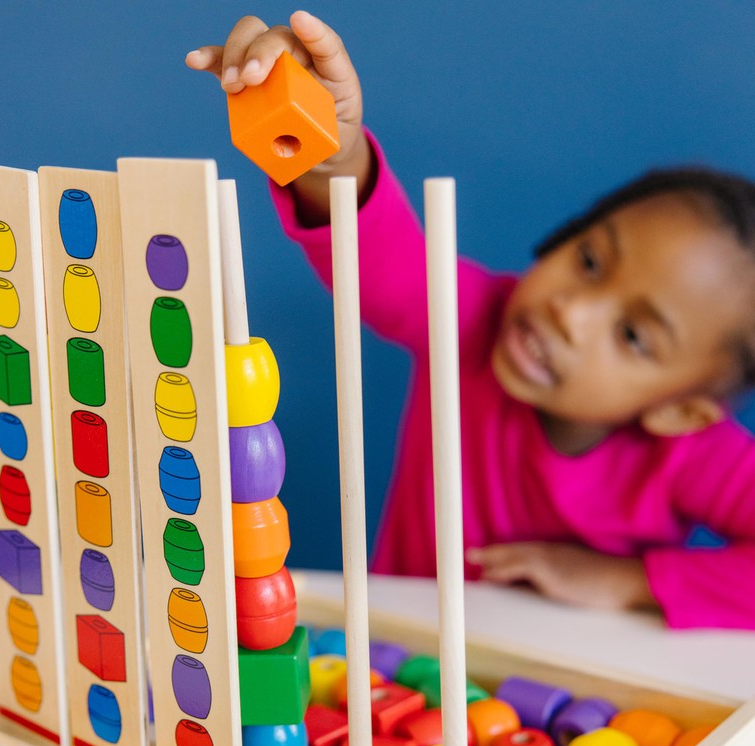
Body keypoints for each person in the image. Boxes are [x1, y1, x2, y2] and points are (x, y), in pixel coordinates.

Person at [187, 11, 755, 629]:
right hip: (399, 657)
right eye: (590, 261)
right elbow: (376, 259)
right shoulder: (469, 320)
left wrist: (634, 581)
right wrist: (327, 149)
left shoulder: (696, 458)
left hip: (576, 695)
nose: (571, 311)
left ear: (680, 412)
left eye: (633, 335)